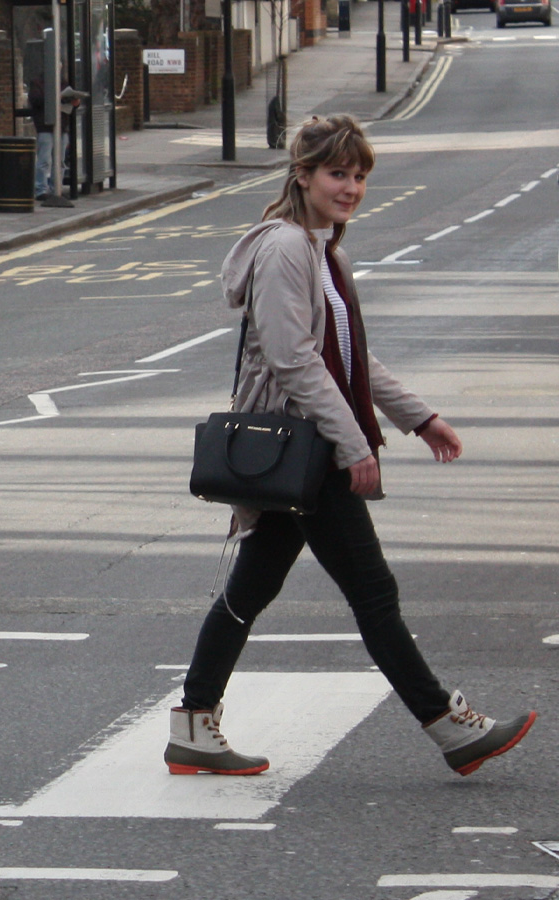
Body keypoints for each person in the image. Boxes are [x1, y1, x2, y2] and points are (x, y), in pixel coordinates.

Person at [168, 115, 536, 779]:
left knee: (252, 586)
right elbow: (293, 360)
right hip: (305, 445)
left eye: (360, 175)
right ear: (303, 175)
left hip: (307, 443)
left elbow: (352, 360)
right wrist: (352, 444)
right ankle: (450, 726)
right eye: (338, 173)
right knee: (372, 591)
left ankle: (194, 722)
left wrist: (419, 418)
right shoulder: (285, 249)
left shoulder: (320, 250)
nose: (352, 187)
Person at [27, 75, 77, 208]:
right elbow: (36, 100)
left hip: (62, 126)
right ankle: (41, 190)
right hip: (45, 126)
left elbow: (69, 100)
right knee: (44, 160)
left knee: (60, 161)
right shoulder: (37, 82)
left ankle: (56, 189)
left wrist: (73, 101)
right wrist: (57, 97)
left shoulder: (63, 83)